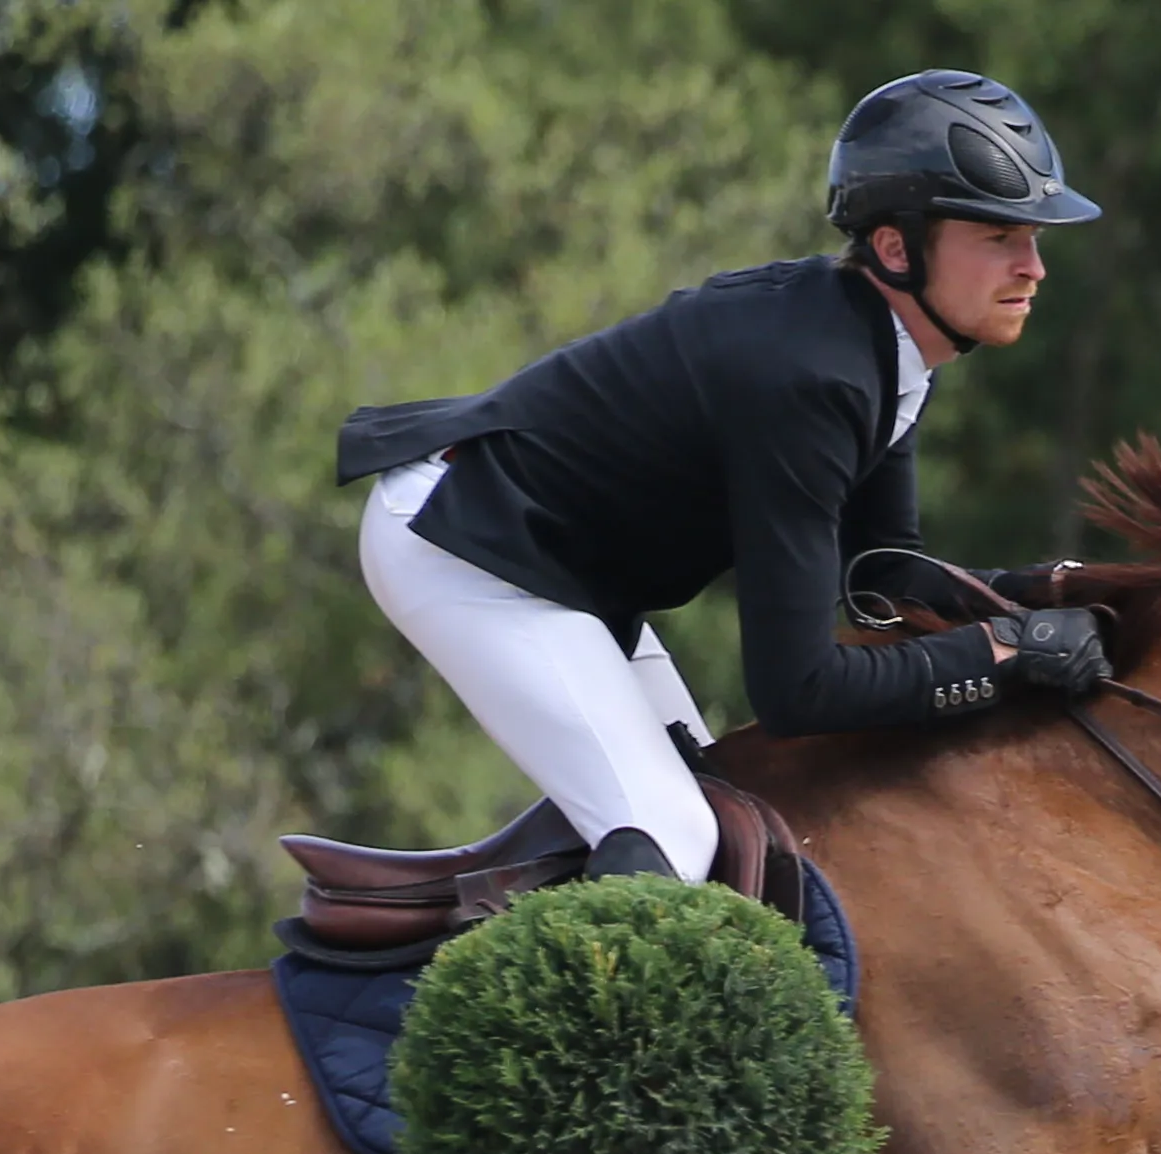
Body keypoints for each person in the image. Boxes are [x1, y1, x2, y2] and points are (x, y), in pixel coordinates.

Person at [335, 72, 1118, 886]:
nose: (1034, 267)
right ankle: (489, 1010)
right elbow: (798, 690)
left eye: (1032, 237)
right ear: (895, 247)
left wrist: (1051, 595)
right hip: (465, 544)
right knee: (674, 840)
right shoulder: (816, 379)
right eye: (999, 236)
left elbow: (880, 574)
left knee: (737, 816)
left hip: (556, 565)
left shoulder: (884, 350)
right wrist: (1002, 656)